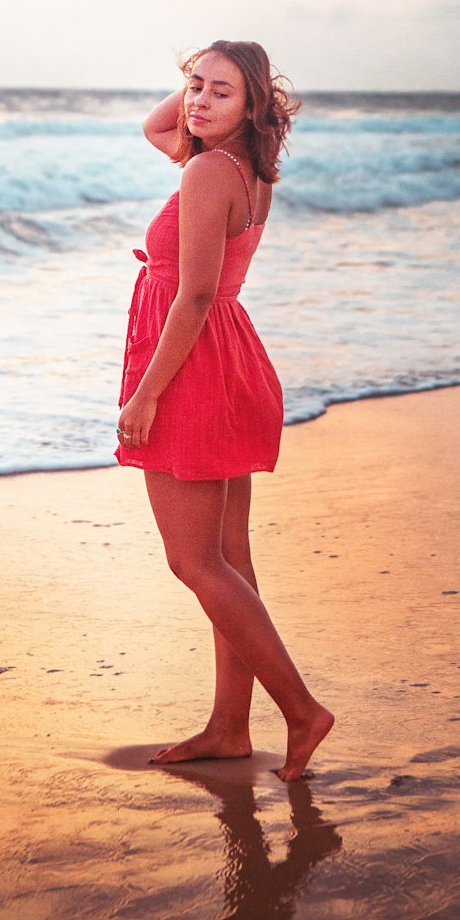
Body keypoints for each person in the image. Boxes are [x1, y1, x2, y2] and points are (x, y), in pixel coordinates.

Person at [115, 39, 334, 782]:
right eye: (193, 87)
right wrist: (215, 79)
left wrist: (147, 391)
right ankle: (229, 726)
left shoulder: (210, 170)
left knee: (194, 561)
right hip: (230, 361)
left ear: (253, 107)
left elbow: (197, 293)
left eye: (220, 93)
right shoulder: (249, 165)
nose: (197, 103)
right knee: (229, 561)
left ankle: (301, 710)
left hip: (194, 370)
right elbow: (158, 126)